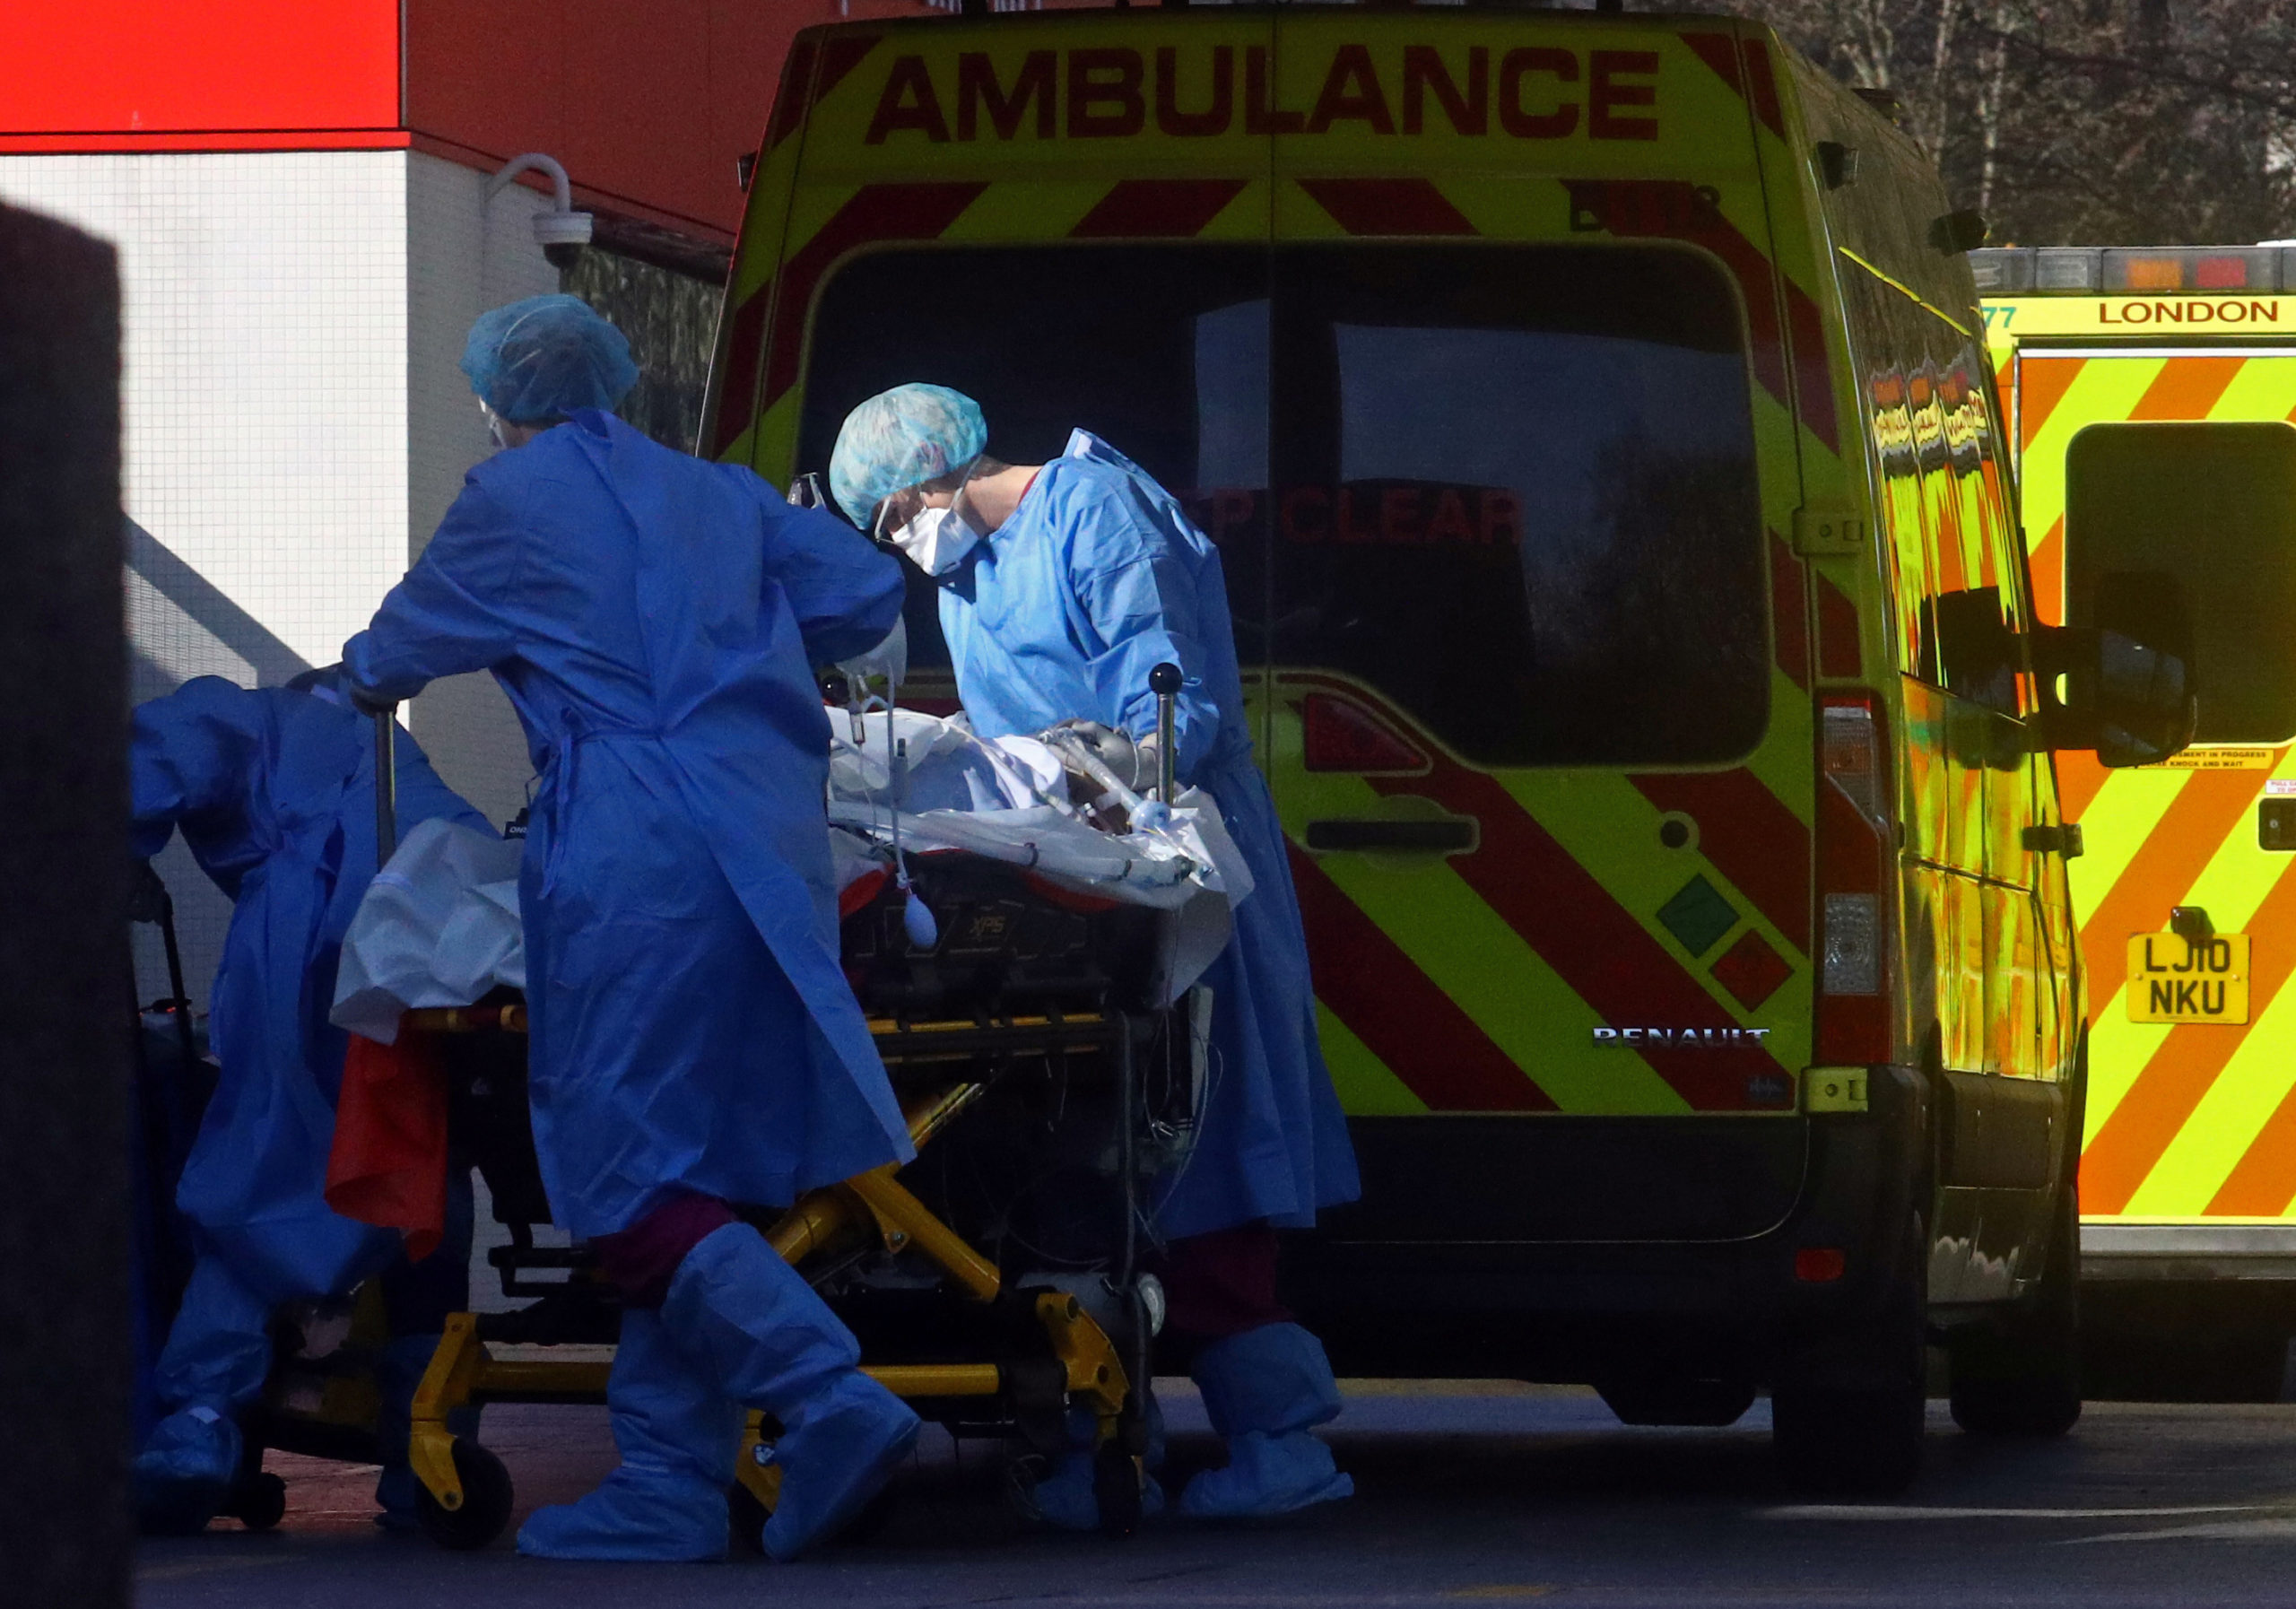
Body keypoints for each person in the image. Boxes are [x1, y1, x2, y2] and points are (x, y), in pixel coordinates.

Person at [340, 294, 920, 1563]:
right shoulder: (720, 491)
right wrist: (742, 649)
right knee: (697, 1170)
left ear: (503, 399)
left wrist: (339, 681)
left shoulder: (510, 500)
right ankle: (668, 1481)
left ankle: (829, 1397)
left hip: (636, 847)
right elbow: (865, 591)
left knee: (626, 1176)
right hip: (769, 834)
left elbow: (393, 651)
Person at [829, 384, 1362, 1521]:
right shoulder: (970, 576)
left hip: (1170, 857)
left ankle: (1282, 1442)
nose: (901, 545)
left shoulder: (1096, 513)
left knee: (1199, 1153)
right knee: (1065, 1167)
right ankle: (1096, 1437)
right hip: (1060, 876)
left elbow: (1170, 705)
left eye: (892, 518)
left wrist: (1094, 774)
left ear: (933, 477)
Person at [129, 668, 490, 1534]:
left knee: (257, 1179)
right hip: (450, 951)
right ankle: (422, 1451)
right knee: (422, 1193)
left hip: (318, 953)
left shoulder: (240, 715)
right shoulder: (395, 759)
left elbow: (129, 776)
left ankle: (201, 1421)